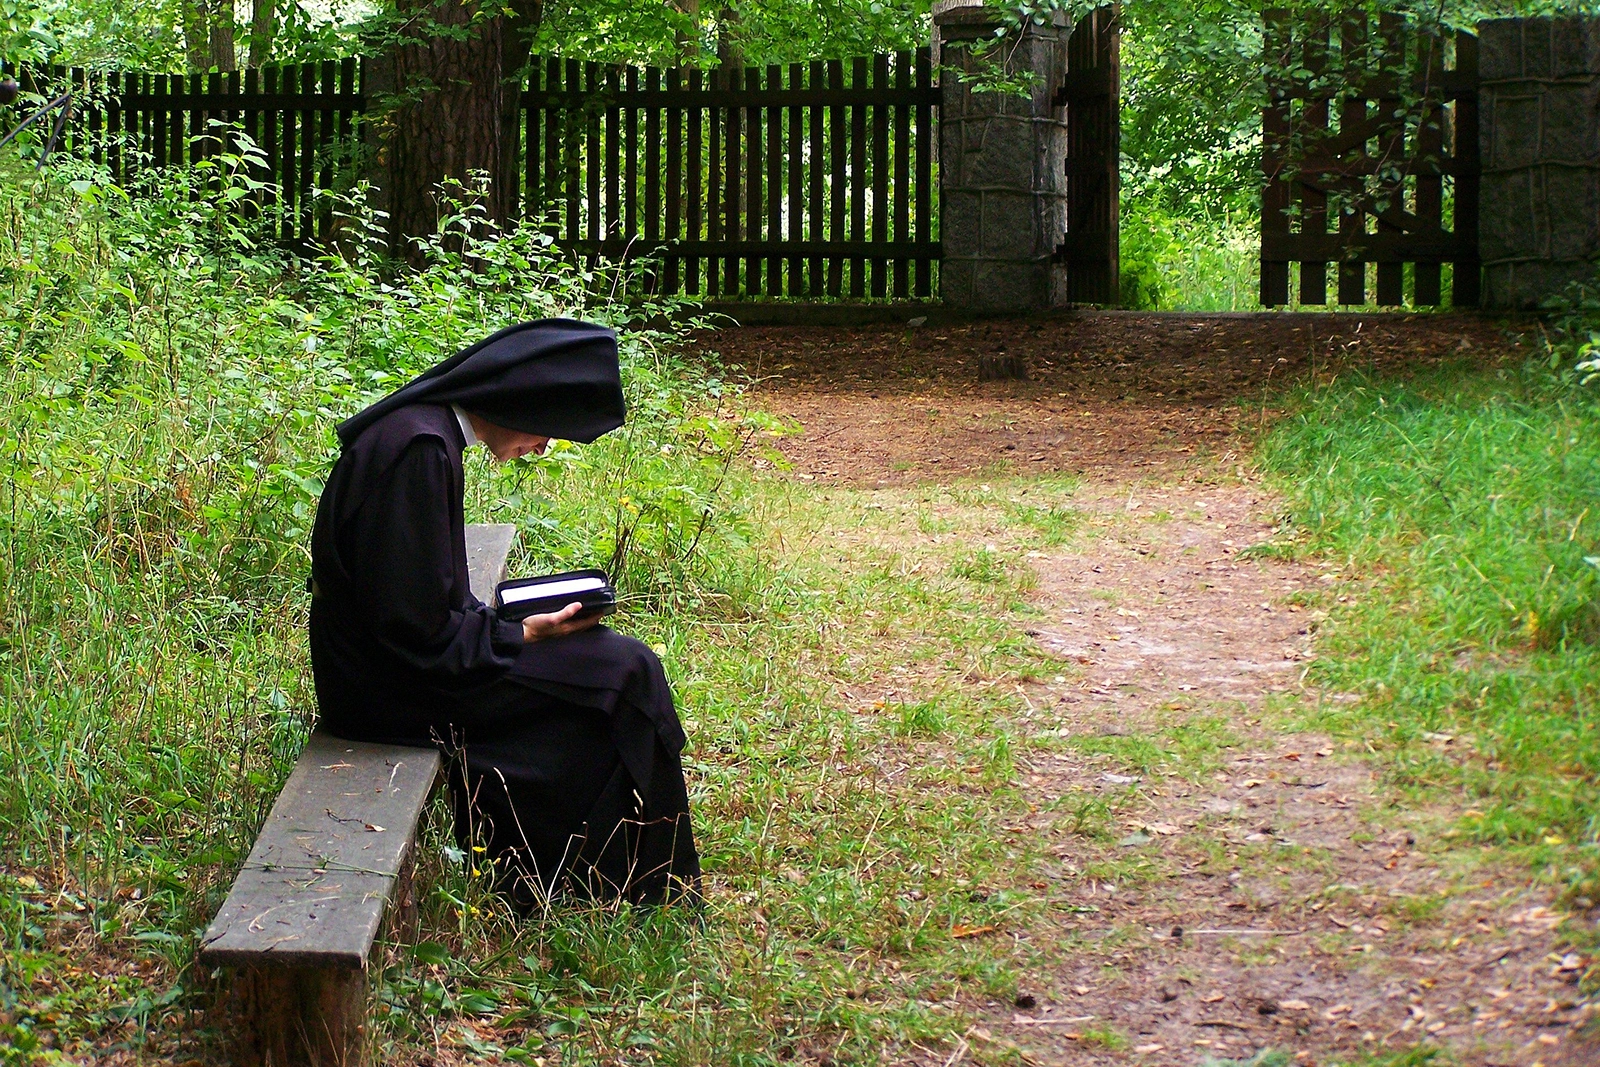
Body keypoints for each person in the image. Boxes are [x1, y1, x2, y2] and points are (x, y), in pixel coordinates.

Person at [308, 319, 700, 908]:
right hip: (385, 691)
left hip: (398, 666)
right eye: (550, 429)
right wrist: (520, 632)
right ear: (521, 399)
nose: (543, 446)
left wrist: (510, 627)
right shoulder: (418, 448)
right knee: (622, 673)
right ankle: (621, 883)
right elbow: (414, 635)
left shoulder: (427, 433)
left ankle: (617, 874)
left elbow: (416, 603)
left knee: (618, 664)